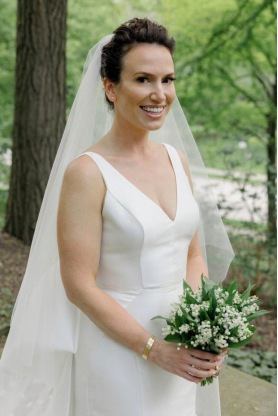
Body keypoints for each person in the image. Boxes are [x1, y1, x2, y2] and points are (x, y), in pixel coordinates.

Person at [0, 17, 234, 416]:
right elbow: (78, 285)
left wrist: (203, 327)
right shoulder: (87, 172)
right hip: (119, 351)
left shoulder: (176, 160)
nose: (160, 94)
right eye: (143, 79)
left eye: (168, 79)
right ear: (110, 87)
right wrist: (153, 348)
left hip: (179, 346)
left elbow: (193, 255)